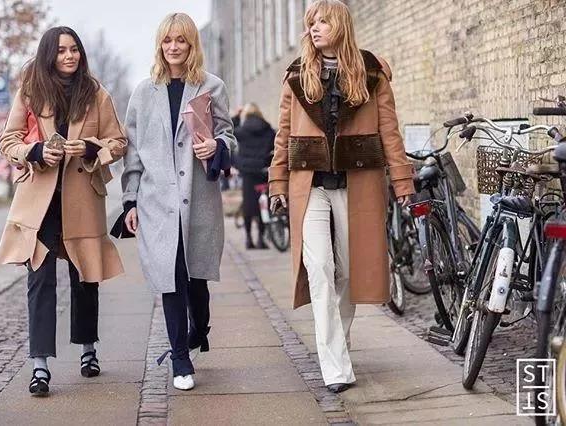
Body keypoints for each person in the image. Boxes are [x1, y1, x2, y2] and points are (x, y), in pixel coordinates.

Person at [268, 0, 415, 393]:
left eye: (323, 21)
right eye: (311, 22)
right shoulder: (297, 75)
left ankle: (339, 341)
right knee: (319, 269)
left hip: (358, 183)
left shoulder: (372, 72)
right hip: (310, 185)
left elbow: (390, 133)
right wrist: (277, 183)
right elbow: (284, 135)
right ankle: (335, 366)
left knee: (349, 271)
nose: (314, 28)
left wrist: (403, 182)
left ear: (341, 25)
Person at [0, 26, 127, 396]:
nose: (69, 56)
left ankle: (88, 350)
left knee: (85, 275)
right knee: (40, 281)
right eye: (62, 50)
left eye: (74, 49)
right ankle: (40, 366)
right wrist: (36, 151)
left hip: (82, 197)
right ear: (48, 54)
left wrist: (90, 147)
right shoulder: (31, 90)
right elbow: (9, 141)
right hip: (40, 203)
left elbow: (118, 142)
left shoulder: (96, 92)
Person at [121, 12, 235, 391]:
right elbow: (133, 153)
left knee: (196, 280)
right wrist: (130, 201)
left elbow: (228, 136)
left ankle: (199, 328)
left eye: (181, 40)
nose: (173, 47)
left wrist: (216, 145)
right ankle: (180, 359)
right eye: (167, 40)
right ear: (160, 44)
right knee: (171, 278)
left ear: (191, 45)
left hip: (199, 199)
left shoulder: (211, 87)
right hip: (156, 202)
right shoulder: (143, 93)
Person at [233, 103, 275, 249]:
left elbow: (228, 130)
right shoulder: (268, 130)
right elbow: (274, 146)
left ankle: (249, 239)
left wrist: (237, 117)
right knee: (263, 204)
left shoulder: (242, 131)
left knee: (248, 206)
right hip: (263, 171)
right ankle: (261, 239)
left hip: (248, 172)